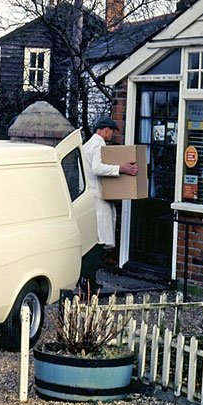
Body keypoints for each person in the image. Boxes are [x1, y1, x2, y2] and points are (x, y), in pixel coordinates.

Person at [80, 116, 138, 291]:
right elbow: (97, 168)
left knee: (94, 243)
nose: (112, 135)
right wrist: (121, 168)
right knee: (99, 244)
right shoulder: (98, 145)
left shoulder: (86, 145)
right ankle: (88, 280)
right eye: (111, 131)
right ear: (105, 129)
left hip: (91, 198)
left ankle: (87, 279)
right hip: (98, 199)